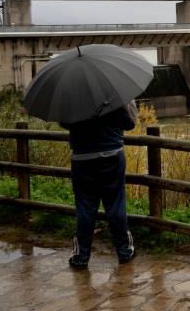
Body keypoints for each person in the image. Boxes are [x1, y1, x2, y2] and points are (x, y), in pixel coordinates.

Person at [61, 101, 139, 269]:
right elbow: (130, 123)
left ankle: (81, 257)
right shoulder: (111, 95)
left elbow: (63, 122)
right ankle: (124, 252)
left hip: (82, 158)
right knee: (115, 205)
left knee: (85, 208)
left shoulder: (74, 95)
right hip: (111, 155)